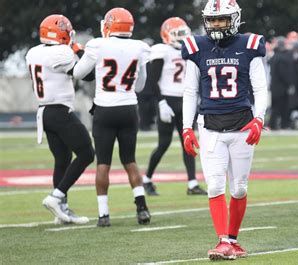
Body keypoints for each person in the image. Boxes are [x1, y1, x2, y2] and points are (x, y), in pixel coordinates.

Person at [181, 0, 267, 260]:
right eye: (213, 20)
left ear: (235, 19)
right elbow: (189, 91)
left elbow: (260, 88)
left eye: (223, 19)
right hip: (210, 126)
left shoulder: (249, 46)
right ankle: (223, 241)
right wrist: (186, 127)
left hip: (242, 124)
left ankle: (232, 240)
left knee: (239, 188)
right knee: (215, 185)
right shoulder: (197, 47)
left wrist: (259, 119)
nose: (217, 24)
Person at [73, 7, 151, 226]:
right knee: (130, 161)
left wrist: (83, 55)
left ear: (109, 25)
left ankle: (103, 214)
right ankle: (142, 207)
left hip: (105, 109)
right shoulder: (140, 47)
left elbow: (79, 73)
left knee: (103, 164)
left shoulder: (98, 45)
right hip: (128, 108)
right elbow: (142, 85)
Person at [26, 14, 95, 224]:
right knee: (86, 153)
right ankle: (56, 198)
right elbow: (86, 74)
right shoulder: (61, 51)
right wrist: (78, 50)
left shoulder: (33, 52)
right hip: (60, 111)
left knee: (63, 159)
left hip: (45, 112)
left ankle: (62, 210)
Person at [142, 17, 207, 196]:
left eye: (183, 34)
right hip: (168, 101)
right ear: (166, 35)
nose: (181, 37)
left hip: (185, 100)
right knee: (164, 143)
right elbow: (153, 80)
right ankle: (147, 179)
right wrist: (161, 102)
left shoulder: (189, 51)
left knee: (188, 141)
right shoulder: (161, 50)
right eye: (177, 34)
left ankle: (192, 184)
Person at [268, 36, 295, 130]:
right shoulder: (284, 57)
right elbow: (284, 74)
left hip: (274, 86)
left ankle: (272, 124)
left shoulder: (274, 56)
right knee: (284, 107)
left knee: (275, 107)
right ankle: (284, 125)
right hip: (282, 87)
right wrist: (290, 84)